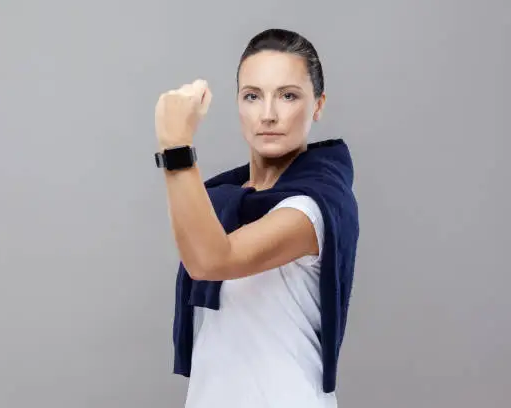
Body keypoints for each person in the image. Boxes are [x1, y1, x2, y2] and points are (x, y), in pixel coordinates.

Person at [154, 28, 359, 408]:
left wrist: (175, 145)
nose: (268, 114)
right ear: (238, 104)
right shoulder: (220, 200)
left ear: (318, 104)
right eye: (252, 96)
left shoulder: (313, 206)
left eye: (288, 95)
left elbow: (212, 261)